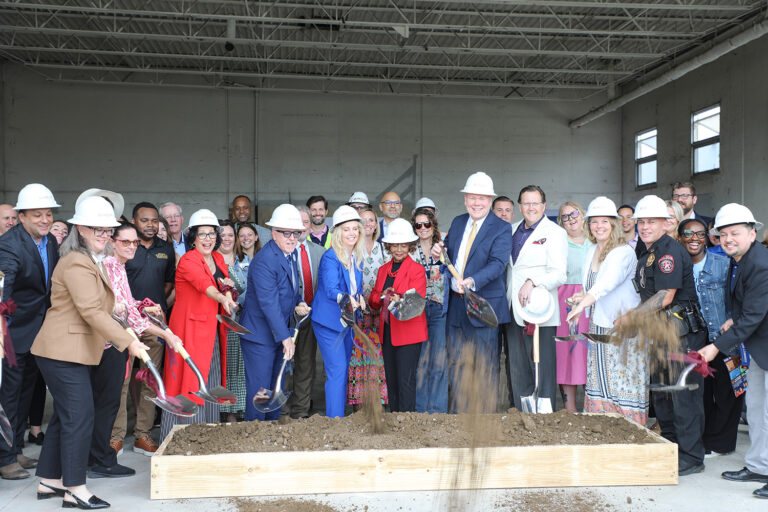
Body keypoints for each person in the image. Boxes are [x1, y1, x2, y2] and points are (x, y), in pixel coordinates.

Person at [30, 195, 147, 509]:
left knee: (65, 417)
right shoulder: (77, 261)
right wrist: (128, 340)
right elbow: (91, 312)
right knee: (80, 417)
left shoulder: (91, 260)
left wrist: (127, 315)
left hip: (71, 351)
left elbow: (101, 306)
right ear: (79, 228)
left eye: (107, 230)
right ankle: (74, 488)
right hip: (61, 351)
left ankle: (49, 481)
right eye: (96, 228)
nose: (103, 234)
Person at [90, 221, 183, 479]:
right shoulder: (107, 266)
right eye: (126, 242)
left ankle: (128, 443)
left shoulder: (118, 266)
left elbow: (129, 306)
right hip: (110, 340)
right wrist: (165, 332)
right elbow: (121, 312)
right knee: (113, 392)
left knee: (136, 385)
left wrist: (147, 309)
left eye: (135, 242)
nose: (132, 246)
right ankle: (108, 447)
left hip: (126, 333)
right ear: (112, 241)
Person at [630, 194, 706, 476]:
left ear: (665, 223)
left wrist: (631, 318)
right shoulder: (648, 252)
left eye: (652, 221)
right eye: (642, 222)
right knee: (661, 392)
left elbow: (665, 296)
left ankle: (691, 456)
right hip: (661, 333)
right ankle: (671, 443)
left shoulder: (669, 252)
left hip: (682, 334)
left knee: (682, 395)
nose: (645, 226)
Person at [698, 204, 768, 499]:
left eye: (735, 233)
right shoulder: (740, 260)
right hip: (759, 346)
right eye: (723, 234)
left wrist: (715, 347)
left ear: (752, 233)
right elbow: (749, 308)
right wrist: (732, 319)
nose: (728, 239)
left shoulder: (761, 264)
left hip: (762, 341)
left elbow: (754, 316)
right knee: (757, 409)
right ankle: (759, 465)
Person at [431, 172, 513, 414]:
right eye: (472, 197)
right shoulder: (457, 222)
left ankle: (483, 421)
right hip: (456, 306)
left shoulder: (501, 228)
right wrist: (439, 255)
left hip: (483, 306)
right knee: (457, 363)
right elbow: (450, 259)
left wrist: (472, 281)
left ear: (490, 199)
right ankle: (460, 417)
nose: (477, 203)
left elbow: (498, 264)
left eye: (482, 198)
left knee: (485, 365)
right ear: (465, 199)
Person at [565, 197, 646, 424]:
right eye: (594, 221)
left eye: (604, 221)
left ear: (614, 224)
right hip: (599, 324)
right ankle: (603, 428)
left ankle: (629, 428)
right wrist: (581, 298)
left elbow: (606, 284)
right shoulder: (592, 250)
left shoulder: (623, 252)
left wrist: (583, 304)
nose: (598, 226)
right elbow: (592, 286)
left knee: (622, 381)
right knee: (602, 380)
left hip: (622, 325)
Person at [160, 209, 238, 440]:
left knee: (211, 378)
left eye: (212, 233)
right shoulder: (187, 260)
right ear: (193, 237)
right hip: (189, 331)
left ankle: (207, 435)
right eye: (202, 234)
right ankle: (181, 437)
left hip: (212, 330)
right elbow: (204, 284)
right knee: (188, 381)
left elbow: (221, 284)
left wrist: (229, 289)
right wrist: (223, 297)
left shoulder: (217, 258)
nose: (208, 239)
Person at [0, 184, 60, 481]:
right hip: (13, 333)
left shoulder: (49, 242)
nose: (45, 219)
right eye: (38, 215)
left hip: (39, 330)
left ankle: (15, 447)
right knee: (9, 395)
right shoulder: (10, 244)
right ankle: (4, 457)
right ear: (21, 216)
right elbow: (3, 288)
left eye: (48, 214)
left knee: (25, 393)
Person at [111, 201, 176, 457]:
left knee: (151, 378)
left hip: (152, 325)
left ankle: (143, 435)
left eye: (153, 221)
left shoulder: (166, 249)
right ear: (134, 223)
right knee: (122, 380)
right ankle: (115, 437)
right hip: (123, 324)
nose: (150, 225)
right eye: (144, 220)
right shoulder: (124, 250)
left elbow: (169, 284)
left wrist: (155, 308)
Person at [678, 218, 742, 457]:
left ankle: (722, 443)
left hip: (726, 338)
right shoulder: (678, 265)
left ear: (707, 237)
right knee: (701, 393)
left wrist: (736, 320)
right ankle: (703, 440)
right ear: (680, 237)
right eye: (688, 233)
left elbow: (740, 296)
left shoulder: (723, 264)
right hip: (694, 340)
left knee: (730, 391)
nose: (694, 239)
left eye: (700, 234)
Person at [239, 205, 309, 421]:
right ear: (273, 233)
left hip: (276, 335)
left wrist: (299, 302)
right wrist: (286, 338)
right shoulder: (265, 260)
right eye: (286, 233)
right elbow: (268, 303)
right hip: (260, 336)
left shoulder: (288, 255)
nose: (291, 238)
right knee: (261, 392)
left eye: (295, 233)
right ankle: (254, 436)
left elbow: (289, 289)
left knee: (275, 387)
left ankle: (270, 435)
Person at [504, 185, 567, 413]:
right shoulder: (510, 230)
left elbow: (559, 273)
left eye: (535, 203)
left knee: (542, 368)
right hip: (513, 308)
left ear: (543, 206)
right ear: (519, 206)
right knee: (518, 368)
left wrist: (532, 281)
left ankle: (546, 418)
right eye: (526, 203)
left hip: (539, 311)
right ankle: (524, 415)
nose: (531, 207)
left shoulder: (555, 233)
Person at [369, 219, 427, 412]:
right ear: (389, 246)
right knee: (391, 381)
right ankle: (394, 419)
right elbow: (373, 300)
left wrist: (391, 296)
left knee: (406, 381)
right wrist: (384, 295)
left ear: (410, 246)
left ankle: (408, 422)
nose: (399, 249)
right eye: (395, 245)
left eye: (403, 245)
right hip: (388, 334)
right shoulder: (383, 270)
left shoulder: (417, 270)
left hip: (409, 333)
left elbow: (415, 302)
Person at [312, 206, 365, 418]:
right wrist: (349, 298)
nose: (352, 233)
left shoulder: (357, 257)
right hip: (328, 323)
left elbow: (356, 288)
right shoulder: (331, 257)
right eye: (346, 229)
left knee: (342, 372)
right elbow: (331, 288)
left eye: (355, 229)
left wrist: (359, 298)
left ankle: (338, 418)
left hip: (346, 322)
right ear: (337, 233)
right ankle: (335, 421)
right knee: (338, 371)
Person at [285, 206, 325, 419]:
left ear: (310, 226)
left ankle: (300, 412)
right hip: (286, 318)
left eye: (306, 223)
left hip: (311, 317)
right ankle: (282, 410)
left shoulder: (319, 252)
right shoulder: (283, 250)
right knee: (284, 365)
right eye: (297, 223)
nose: (302, 228)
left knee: (305, 365)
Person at [347, 207, 388, 410]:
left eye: (372, 220)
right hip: (359, 312)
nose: (368, 224)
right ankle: (358, 404)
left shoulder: (384, 249)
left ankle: (377, 403)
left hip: (379, 312)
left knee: (377, 356)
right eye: (364, 221)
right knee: (359, 355)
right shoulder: (353, 249)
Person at [411, 207, 449, 413]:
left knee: (439, 362)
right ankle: (419, 411)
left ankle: (438, 411)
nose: (423, 228)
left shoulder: (444, 246)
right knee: (420, 362)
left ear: (433, 225)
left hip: (439, 309)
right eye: (418, 224)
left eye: (427, 223)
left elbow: (453, 272)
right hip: (416, 310)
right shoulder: (409, 248)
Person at [555, 201, 591, 413]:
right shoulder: (559, 243)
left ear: (583, 214)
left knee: (590, 352)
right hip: (565, 302)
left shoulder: (595, 241)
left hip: (591, 301)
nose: (571, 219)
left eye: (574, 213)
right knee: (568, 353)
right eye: (565, 217)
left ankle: (593, 405)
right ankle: (570, 410)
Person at [216, 220, 245, 422]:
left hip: (242, 322)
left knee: (238, 368)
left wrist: (240, 301)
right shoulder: (212, 262)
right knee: (222, 367)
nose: (226, 239)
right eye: (222, 235)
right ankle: (223, 411)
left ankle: (237, 409)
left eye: (230, 235)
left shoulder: (244, 261)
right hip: (218, 322)